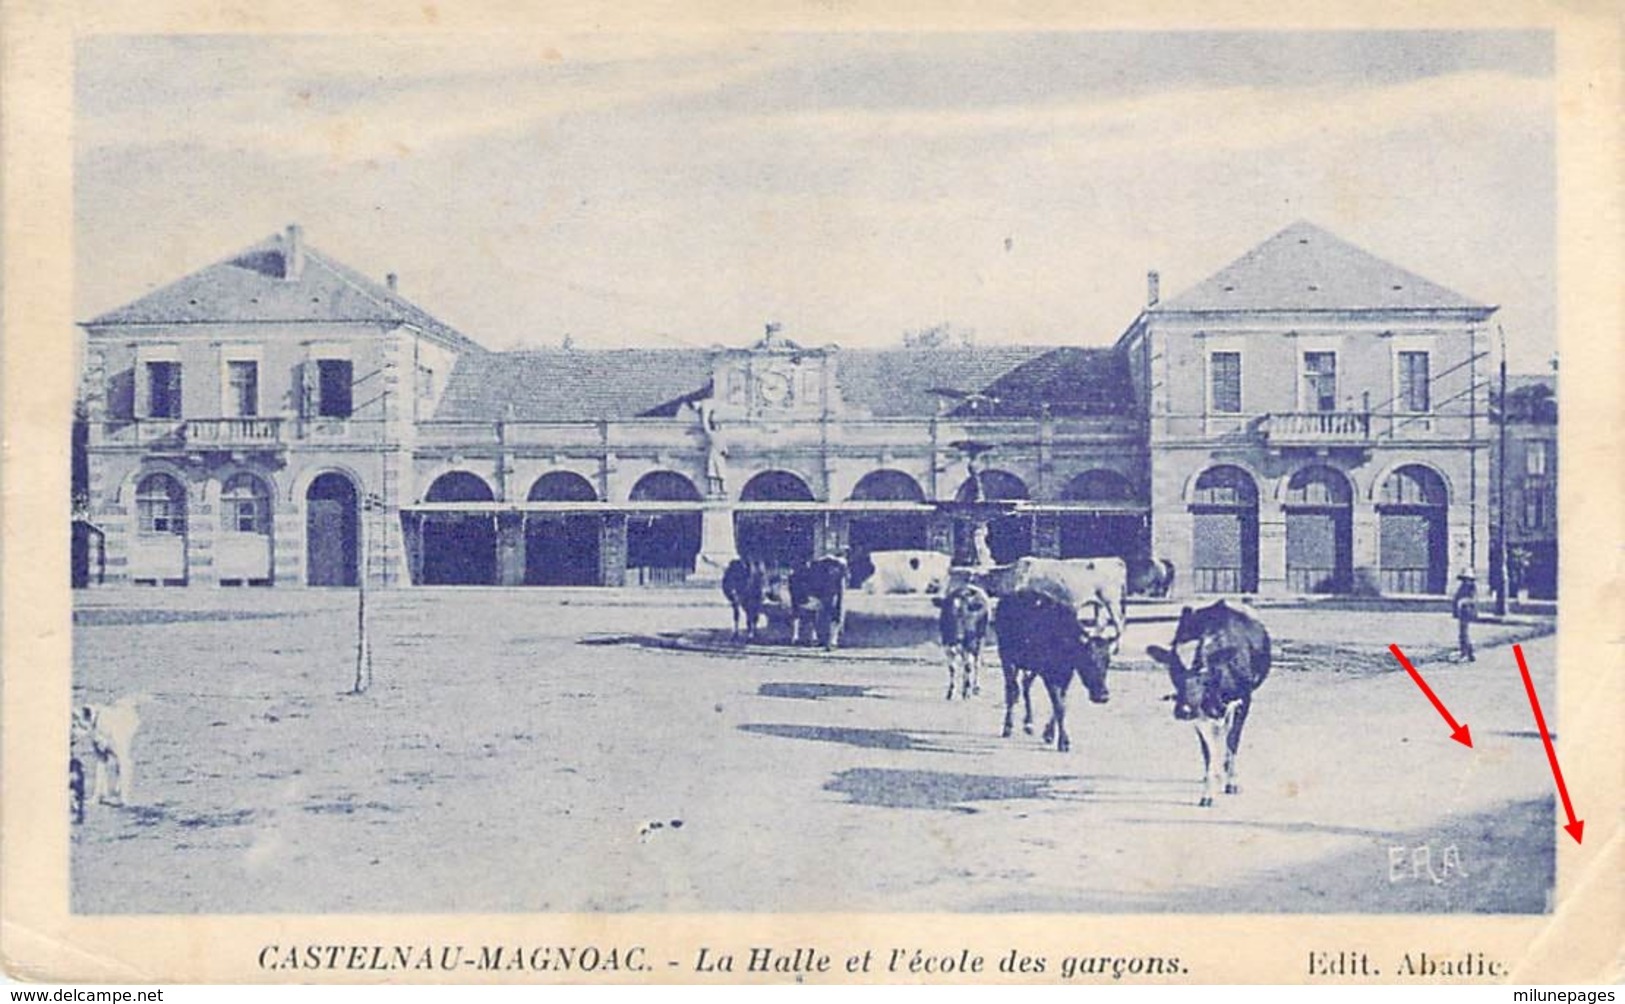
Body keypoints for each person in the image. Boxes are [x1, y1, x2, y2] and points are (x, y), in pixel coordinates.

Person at [1451, 570, 1479, 662]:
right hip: (1462, 612)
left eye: (1467, 579)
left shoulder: (1471, 588)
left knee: (1464, 633)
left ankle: (1465, 653)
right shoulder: (1463, 587)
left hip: (1467, 611)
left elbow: (1472, 600)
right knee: (1463, 633)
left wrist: (1462, 602)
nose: (1465, 581)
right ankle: (1469, 653)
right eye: (1464, 580)